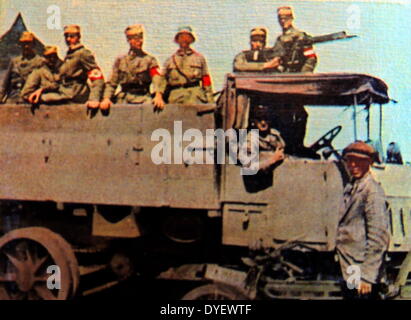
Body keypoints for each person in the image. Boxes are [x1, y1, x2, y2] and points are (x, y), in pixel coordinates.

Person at [336, 141, 390, 299]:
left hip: (360, 266)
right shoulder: (353, 186)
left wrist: (367, 276)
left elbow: (378, 237)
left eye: (359, 161)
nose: (353, 165)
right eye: (349, 160)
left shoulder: (372, 191)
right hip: (350, 263)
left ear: (369, 163)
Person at [29, 25, 104, 107]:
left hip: (75, 94)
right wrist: (41, 90)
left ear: (79, 37)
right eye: (66, 36)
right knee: (35, 97)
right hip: (65, 91)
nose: (68, 39)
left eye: (72, 36)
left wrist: (94, 99)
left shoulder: (83, 54)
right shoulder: (70, 55)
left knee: (42, 99)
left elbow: (97, 78)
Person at [100, 24, 165, 111]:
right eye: (136, 39)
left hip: (143, 97)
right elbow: (112, 83)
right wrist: (106, 98)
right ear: (129, 40)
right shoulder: (121, 61)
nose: (140, 41)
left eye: (141, 38)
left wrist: (158, 95)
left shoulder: (150, 60)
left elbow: (157, 78)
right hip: (124, 98)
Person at [162, 26, 214, 105]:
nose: (184, 39)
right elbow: (162, 81)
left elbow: (206, 79)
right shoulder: (170, 61)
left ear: (191, 40)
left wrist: (210, 101)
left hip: (195, 96)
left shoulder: (199, 59)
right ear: (177, 40)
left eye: (187, 37)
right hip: (176, 97)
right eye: (181, 37)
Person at [273, 6, 317, 73]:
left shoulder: (300, 36)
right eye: (281, 18)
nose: (283, 21)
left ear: (291, 18)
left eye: (286, 18)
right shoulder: (279, 40)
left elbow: (311, 58)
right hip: (283, 75)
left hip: (297, 74)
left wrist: (304, 75)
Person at [4, 31, 44, 103]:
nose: (26, 46)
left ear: (34, 44)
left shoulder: (40, 62)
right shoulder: (15, 61)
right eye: (23, 43)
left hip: (31, 98)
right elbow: (5, 84)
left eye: (28, 43)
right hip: (13, 98)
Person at [242, 105, 286, 172]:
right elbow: (250, 168)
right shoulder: (250, 139)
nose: (263, 122)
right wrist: (272, 160)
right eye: (259, 119)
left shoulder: (274, 134)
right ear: (254, 121)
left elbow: (281, 148)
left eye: (266, 119)